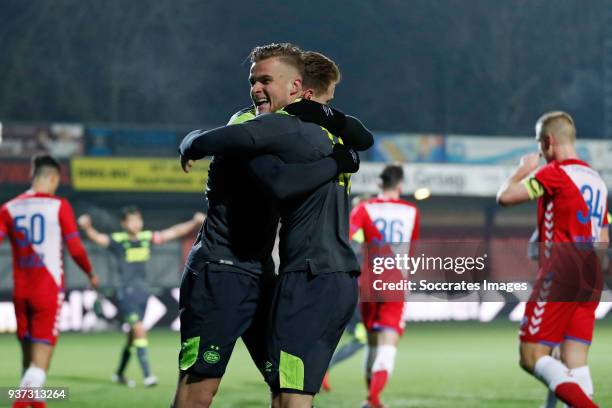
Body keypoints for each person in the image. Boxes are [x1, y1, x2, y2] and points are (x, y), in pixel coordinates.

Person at [175, 44, 371, 408]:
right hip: (221, 271)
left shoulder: (290, 131)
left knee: (284, 386)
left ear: (297, 89)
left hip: (263, 275)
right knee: (199, 391)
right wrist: (191, 141)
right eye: (253, 81)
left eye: (265, 80)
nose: (255, 88)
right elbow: (278, 181)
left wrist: (332, 128)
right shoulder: (248, 128)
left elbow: (361, 136)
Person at [497, 111, 608, 408]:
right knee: (575, 363)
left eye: (539, 144)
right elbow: (604, 239)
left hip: (562, 271)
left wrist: (523, 170)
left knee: (532, 355)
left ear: (548, 141)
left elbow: (505, 197)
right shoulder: (597, 181)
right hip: (592, 273)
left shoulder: (555, 172)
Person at [0, 154, 98, 408]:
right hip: (48, 290)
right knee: (42, 359)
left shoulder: (8, 208)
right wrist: (89, 272)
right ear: (53, 178)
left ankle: (37, 402)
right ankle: (20, 403)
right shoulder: (59, 205)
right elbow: (75, 248)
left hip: (20, 291)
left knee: (29, 361)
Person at [78, 207, 204, 387]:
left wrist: (194, 223)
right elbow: (98, 238)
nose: (136, 224)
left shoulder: (146, 238)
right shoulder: (118, 240)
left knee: (132, 337)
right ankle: (148, 375)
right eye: (131, 220)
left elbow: (172, 232)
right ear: (124, 224)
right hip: (125, 293)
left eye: (138, 220)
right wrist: (87, 227)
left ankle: (120, 373)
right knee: (139, 330)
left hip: (143, 293)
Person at [349, 164, 420, 408]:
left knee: (371, 343)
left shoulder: (364, 208)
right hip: (394, 282)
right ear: (399, 185)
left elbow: (349, 237)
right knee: (387, 346)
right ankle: (374, 399)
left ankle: (369, 399)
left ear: (379, 184)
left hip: (368, 282)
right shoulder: (411, 211)